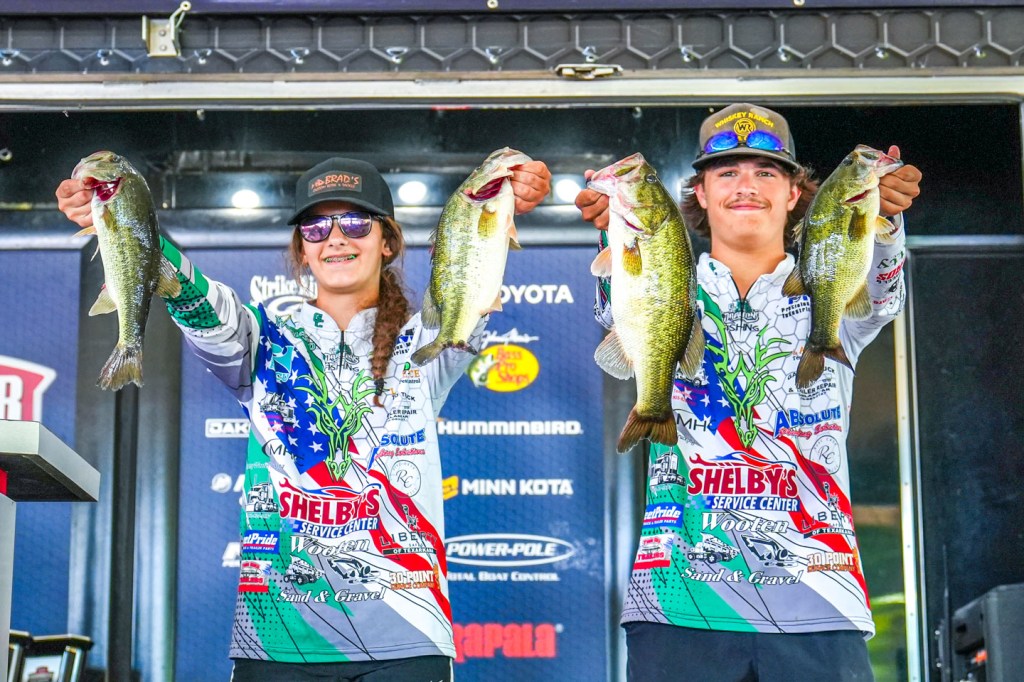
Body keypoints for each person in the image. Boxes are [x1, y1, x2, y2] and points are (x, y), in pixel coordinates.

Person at [57, 155, 550, 681]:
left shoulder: (425, 340)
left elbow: (473, 263)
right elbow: (195, 297)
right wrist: (118, 216)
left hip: (408, 635)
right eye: (315, 227)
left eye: (355, 222)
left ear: (387, 242)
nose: (335, 238)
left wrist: (506, 195)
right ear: (302, 250)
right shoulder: (261, 337)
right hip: (275, 636)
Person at [575, 102, 922, 682]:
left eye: (766, 172)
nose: (746, 186)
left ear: (794, 193)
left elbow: (883, 295)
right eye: (727, 172)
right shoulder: (665, 276)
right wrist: (615, 226)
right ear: (700, 193)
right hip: (677, 600)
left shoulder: (829, 287)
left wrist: (882, 219)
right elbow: (614, 311)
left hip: (820, 599)